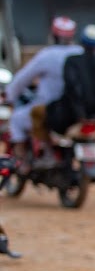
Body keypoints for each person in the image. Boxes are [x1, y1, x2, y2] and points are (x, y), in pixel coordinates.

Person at [4, 16, 81, 172]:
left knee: (17, 120)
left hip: (51, 108)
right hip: (78, 110)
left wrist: (8, 96)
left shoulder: (48, 55)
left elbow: (22, 79)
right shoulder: (80, 53)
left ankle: (24, 162)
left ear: (54, 35)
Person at [45, 25, 95, 137]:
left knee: (41, 114)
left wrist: (80, 114)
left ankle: (47, 150)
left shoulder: (72, 62)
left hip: (69, 117)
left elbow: (73, 88)